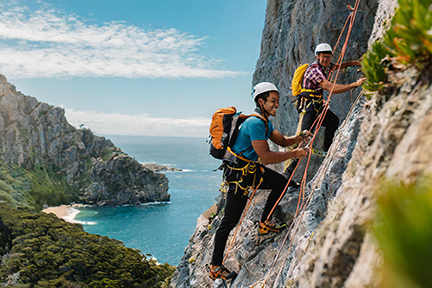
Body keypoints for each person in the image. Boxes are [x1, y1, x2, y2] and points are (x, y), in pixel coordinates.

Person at [208, 82, 312, 280]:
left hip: (250, 171)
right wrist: (297, 153)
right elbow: (266, 157)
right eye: (272, 101)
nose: (276, 105)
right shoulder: (255, 123)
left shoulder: (265, 122)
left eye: (277, 101)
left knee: (280, 182)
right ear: (261, 101)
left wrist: (300, 138)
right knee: (229, 222)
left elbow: (281, 141)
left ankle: (264, 223)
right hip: (239, 177)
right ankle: (215, 266)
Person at [285, 43, 366, 176]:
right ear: (317, 56)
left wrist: (356, 62)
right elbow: (330, 88)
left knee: (333, 121)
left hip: (317, 106)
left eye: (328, 57)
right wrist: (354, 84)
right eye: (323, 57)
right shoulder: (315, 71)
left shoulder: (326, 66)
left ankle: (326, 150)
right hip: (308, 108)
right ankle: (287, 174)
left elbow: (339, 66)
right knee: (303, 139)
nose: (326, 60)